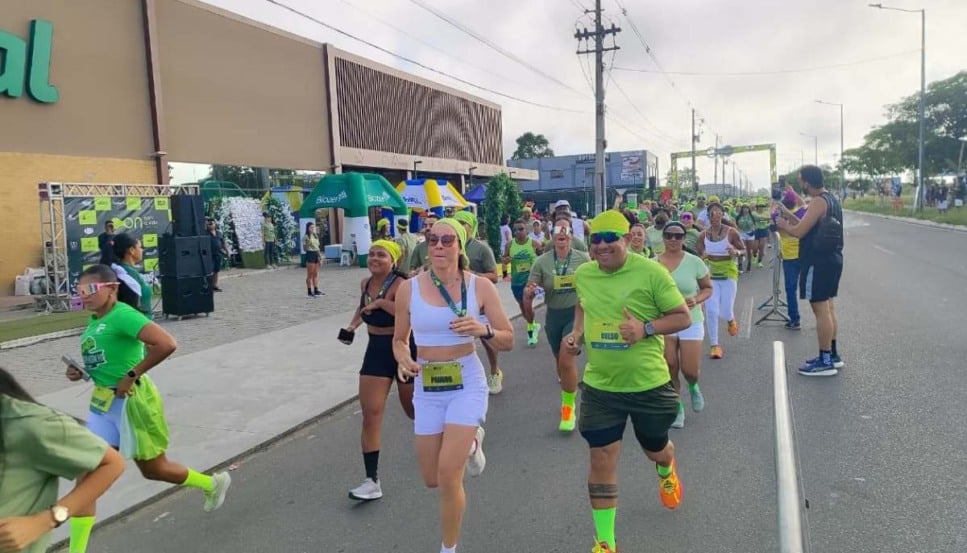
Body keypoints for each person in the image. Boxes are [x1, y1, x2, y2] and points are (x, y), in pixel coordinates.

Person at [65, 265, 232, 553]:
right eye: (80, 291)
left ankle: (211, 484)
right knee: (86, 480)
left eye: (91, 289)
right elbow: (107, 360)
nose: (85, 296)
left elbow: (166, 343)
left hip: (133, 403)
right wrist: (79, 372)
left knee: (155, 470)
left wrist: (132, 375)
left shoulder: (123, 315)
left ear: (112, 288)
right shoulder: (95, 321)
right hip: (102, 406)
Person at [563, 210, 691, 553]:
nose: (602, 246)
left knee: (655, 450)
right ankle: (605, 541)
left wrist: (645, 329)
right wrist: (577, 334)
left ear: (626, 239)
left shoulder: (651, 272)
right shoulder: (585, 274)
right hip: (601, 386)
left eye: (610, 239)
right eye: (596, 240)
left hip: (648, 384)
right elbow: (582, 305)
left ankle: (666, 469)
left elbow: (682, 316)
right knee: (601, 457)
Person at [393, 218, 513, 553]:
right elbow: (399, 340)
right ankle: (473, 443)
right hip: (428, 386)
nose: (439, 246)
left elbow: (508, 340)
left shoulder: (480, 287)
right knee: (432, 478)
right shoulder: (408, 289)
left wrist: (483, 330)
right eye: (433, 239)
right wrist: (403, 358)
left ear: (460, 246)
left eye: (447, 240)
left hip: (466, 383)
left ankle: (448, 548)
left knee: (449, 476)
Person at [0, 368, 125, 553]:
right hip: (104, 401)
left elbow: (111, 463)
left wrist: (47, 519)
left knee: (155, 469)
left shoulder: (31, 425)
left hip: (122, 400)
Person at [340, 241, 415, 501]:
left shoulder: (402, 285)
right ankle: (371, 480)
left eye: (381, 255)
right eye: (371, 254)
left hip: (404, 348)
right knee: (370, 413)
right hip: (376, 349)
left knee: (414, 410)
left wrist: (382, 303)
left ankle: (459, 437)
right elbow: (362, 307)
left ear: (393, 261)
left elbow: (408, 312)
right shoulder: (365, 283)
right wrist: (352, 327)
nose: (374, 258)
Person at [776, 165, 845, 376]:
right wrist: (789, 216)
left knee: (820, 310)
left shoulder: (817, 201)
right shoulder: (831, 199)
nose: (800, 185)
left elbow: (799, 232)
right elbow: (808, 225)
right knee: (829, 307)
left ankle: (825, 361)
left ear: (807, 181)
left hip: (818, 261)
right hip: (832, 258)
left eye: (801, 181)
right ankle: (832, 354)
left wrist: (783, 225)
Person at [524, 217, 591, 431]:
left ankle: (568, 409)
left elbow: (596, 282)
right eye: (557, 229)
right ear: (552, 235)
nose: (561, 233)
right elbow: (530, 288)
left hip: (576, 315)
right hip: (554, 315)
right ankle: (567, 393)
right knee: (560, 361)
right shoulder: (542, 262)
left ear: (571, 234)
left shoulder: (583, 259)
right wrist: (529, 293)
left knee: (566, 355)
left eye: (565, 230)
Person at [656, 222, 713, 429]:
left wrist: (696, 299)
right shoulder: (653, 263)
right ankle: (677, 407)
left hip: (691, 320)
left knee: (690, 370)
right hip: (665, 321)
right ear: (663, 237)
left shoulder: (694, 262)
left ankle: (693, 386)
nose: (673, 239)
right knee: (669, 366)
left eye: (678, 236)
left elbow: (708, 288)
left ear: (684, 239)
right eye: (669, 235)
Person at [451, 211, 503, 395]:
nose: (459, 226)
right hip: (456, 304)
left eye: (463, 223)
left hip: (481, 305)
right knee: (456, 342)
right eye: (456, 222)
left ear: (471, 227)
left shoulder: (481, 249)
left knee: (488, 342)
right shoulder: (450, 246)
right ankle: (457, 378)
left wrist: (473, 275)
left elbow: (494, 276)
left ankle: (494, 371)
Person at [695, 202, 745, 359]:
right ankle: (715, 345)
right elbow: (699, 254)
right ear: (708, 216)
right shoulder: (703, 235)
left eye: (718, 213)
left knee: (725, 310)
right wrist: (702, 256)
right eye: (712, 213)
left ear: (723, 215)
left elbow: (743, 250)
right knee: (711, 310)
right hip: (711, 276)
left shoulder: (731, 232)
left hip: (729, 275)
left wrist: (735, 252)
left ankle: (730, 320)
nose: (715, 216)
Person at [504, 219, 543, 347]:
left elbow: (543, 258)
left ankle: (531, 334)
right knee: (523, 309)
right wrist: (506, 264)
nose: (518, 232)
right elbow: (504, 259)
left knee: (527, 305)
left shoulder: (534, 243)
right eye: (515, 230)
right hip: (516, 281)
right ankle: (533, 325)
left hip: (530, 280)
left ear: (526, 230)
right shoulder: (510, 245)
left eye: (521, 229)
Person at [776, 189, 806, 330]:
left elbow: (772, 224)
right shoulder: (802, 212)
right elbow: (803, 203)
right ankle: (822, 317)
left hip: (789, 257)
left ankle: (795, 319)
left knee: (791, 289)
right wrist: (793, 191)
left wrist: (775, 204)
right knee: (811, 288)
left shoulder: (778, 214)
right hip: (804, 254)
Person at [110, 233, 152, 317]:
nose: (142, 250)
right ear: (131, 250)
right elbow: (132, 306)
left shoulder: (127, 271)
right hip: (138, 322)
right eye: (140, 247)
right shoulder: (125, 274)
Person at [206, 219, 228, 292]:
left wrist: (227, 251)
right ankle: (208, 286)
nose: (209, 225)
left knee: (216, 270)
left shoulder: (219, 233)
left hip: (218, 254)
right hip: (210, 255)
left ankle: (214, 285)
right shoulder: (205, 234)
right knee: (210, 271)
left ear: (215, 224)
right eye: (208, 224)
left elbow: (223, 243)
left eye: (211, 223)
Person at [735, 205, 757, 272]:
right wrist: (738, 230)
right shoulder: (738, 217)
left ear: (748, 209)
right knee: (742, 248)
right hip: (742, 233)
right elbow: (735, 225)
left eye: (746, 208)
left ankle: (749, 263)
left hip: (750, 234)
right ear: (742, 209)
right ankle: (740, 264)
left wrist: (753, 230)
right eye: (744, 208)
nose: (745, 210)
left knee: (749, 250)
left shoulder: (752, 216)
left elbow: (755, 225)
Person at [304, 221, 323, 297]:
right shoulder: (306, 237)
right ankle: (309, 291)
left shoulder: (315, 236)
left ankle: (316, 290)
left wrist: (320, 257)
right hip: (310, 254)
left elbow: (317, 247)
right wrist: (308, 243)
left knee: (315, 274)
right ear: (308, 228)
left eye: (313, 227)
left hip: (315, 254)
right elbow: (305, 249)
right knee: (310, 274)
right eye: (311, 227)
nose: (312, 229)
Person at [498, 215, 512, 279]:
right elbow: (508, 238)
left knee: (504, 261)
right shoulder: (506, 228)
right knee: (508, 260)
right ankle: (507, 275)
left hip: (501, 246)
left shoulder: (500, 227)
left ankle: (505, 275)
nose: (509, 220)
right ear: (507, 219)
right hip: (506, 246)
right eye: (509, 218)